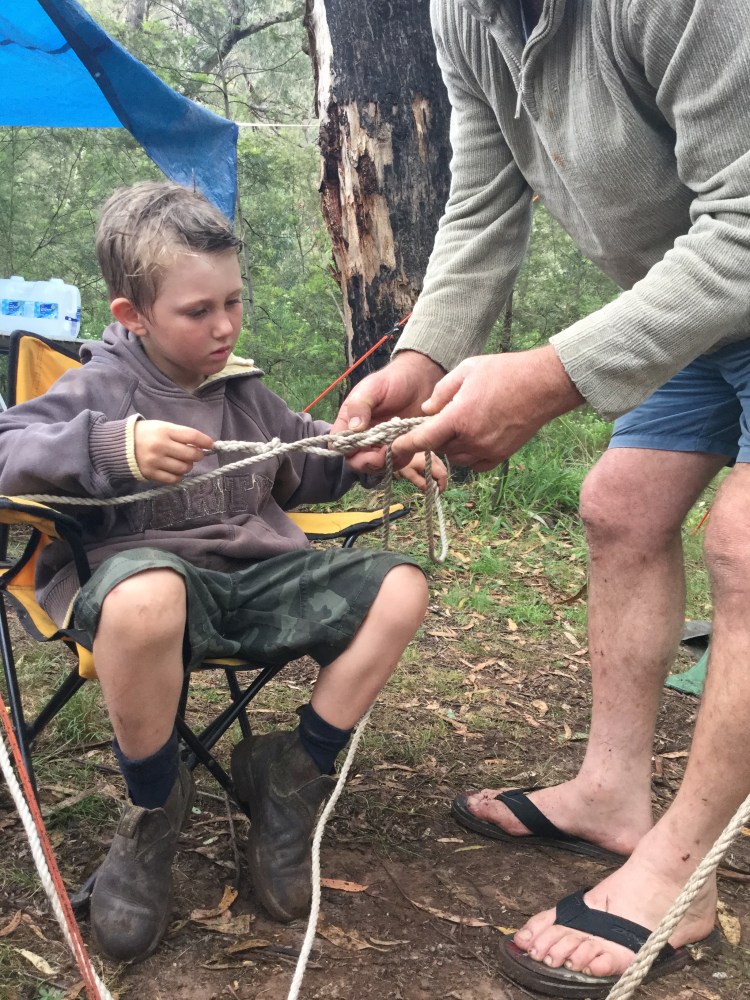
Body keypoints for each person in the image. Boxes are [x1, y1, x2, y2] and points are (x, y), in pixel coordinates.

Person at [332, 0, 750, 994]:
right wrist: (421, 358)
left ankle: (683, 869)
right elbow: (484, 196)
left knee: (743, 540)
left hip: (732, 258)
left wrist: (552, 374)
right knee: (621, 504)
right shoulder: (468, 16)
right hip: (706, 304)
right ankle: (611, 793)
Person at [0, 180, 446, 964]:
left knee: (401, 585)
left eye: (233, 302)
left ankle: (292, 774)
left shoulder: (241, 387)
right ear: (131, 316)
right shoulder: (99, 387)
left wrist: (371, 455)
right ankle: (153, 809)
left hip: (256, 584)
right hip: (151, 596)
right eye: (197, 311)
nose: (224, 325)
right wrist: (112, 448)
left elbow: (299, 464)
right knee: (146, 595)